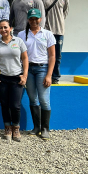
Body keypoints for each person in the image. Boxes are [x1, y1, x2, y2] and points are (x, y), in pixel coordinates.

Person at [18, 9, 55, 140]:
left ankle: (45, 128)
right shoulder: (22, 35)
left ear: (40, 19)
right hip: (29, 70)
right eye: (31, 18)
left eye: (36, 18)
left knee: (44, 100)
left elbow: (52, 56)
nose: (34, 21)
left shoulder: (48, 34)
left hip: (42, 69)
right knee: (33, 99)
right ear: (28, 19)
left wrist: (49, 75)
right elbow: (20, 54)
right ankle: (36, 127)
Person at [0, 19, 28, 142]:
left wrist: (25, 75)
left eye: (5, 27)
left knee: (15, 105)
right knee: (4, 104)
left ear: (10, 28)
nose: (3, 30)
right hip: (2, 78)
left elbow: (25, 59)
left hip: (16, 77)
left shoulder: (18, 41)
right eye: (1, 28)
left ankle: (16, 128)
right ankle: (7, 128)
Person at [39, 0, 69, 84]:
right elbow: (40, 14)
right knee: (45, 54)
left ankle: (55, 77)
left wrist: (58, 22)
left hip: (59, 31)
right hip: (46, 31)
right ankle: (46, 75)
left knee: (57, 55)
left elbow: (64, 13)